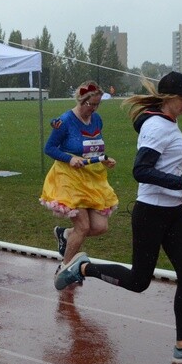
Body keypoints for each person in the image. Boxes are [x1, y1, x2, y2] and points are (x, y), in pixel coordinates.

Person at [54, 72, 182, 364]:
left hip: (173, 212)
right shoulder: (158, 127)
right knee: (139, 281)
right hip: (151, 214)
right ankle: (84, 267)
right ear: (169, 98)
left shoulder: (168, 122)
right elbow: (141, 171)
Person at [41, 81, 119, 273]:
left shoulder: (97, 119)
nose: (93, 108)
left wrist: (104, 159)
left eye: (97, 104)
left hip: (91, 178)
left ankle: (65, 234)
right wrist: (69, 158)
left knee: (100, 227)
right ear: (81, 100)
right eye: (90, 104)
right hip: (69, 178)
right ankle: (65, 268)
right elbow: (49, 148)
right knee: (83, 227)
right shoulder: (65, 121)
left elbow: (94, 146)